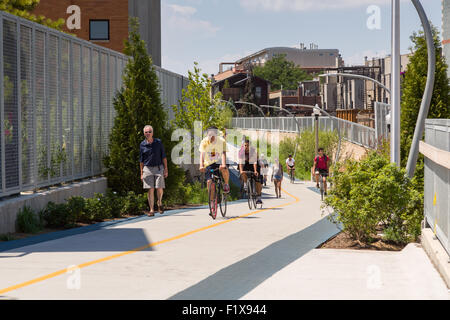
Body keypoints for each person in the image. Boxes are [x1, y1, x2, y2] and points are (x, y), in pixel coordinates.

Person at [199, 126, 230, 217]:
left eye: (212, 135)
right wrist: (201, 165)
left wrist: (223, 164)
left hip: (220, 161)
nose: (210, 137)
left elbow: (224, 153)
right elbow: (202, 154)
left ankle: (226, 184)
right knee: (209, 182)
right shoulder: (204, 141)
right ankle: (212, 201)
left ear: (216, 135)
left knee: (225, 169)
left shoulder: (221, 141)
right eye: (209, 135)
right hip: (209, 163)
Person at [140, 125, 168, 216]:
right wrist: (141, 173)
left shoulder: (158, 142)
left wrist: (166, 169)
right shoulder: (142, 144)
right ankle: (151, 210)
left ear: (152, 133)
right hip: (147, 169)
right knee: (150, 189)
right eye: (146, 132)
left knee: (159, 188)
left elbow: (163, 157)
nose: (148, 133)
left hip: (159, 168)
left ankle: (159, 202)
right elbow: (141, 160)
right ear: (144, 133)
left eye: (149, 132)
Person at [238, 139, 263, 205]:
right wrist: (241, 171)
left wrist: (255, 171)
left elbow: (254, 162)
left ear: (250, 146)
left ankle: (259, 197)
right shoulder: (241, 151)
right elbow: (240, 162)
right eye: (245, 145)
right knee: (242, 172)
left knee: (257, 180)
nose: (246, 147)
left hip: (254, 163)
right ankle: (246, 183)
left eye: (247, 145)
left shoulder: (253, 151)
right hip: (246, 163)